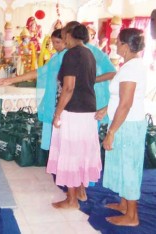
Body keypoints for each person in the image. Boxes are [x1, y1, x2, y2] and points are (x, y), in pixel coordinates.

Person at [95, 28, 147, 226]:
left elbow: (126, 103)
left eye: (118, 42)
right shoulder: (130, 66)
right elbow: (120, 98)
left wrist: (111, 132)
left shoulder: (132, 68)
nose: (115, 45)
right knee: (124, 166)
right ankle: (125, 205)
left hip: (128, 125)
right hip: (125, 122)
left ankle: (132, 216)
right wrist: (106, 108)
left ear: (125, 45)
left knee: (129, 168)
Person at [47, 24, 102, 209]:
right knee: (81, 152)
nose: (63, 41)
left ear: (69, 35)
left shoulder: (71, 54)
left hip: (73, 111)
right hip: (88, 110)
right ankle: (80, 191)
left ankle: (71, 200)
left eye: (63, 36)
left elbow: (69, 87)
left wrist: (58, 113)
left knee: (70, 152)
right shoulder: (89, 53)